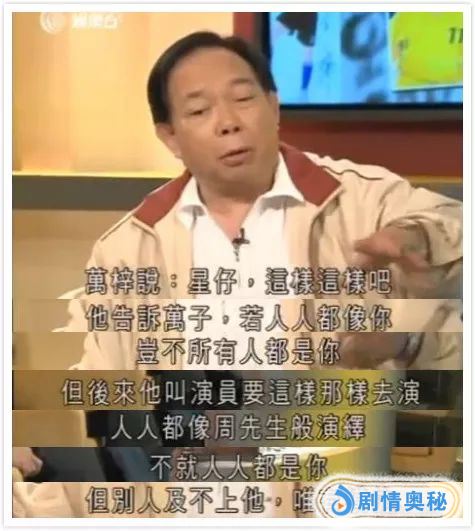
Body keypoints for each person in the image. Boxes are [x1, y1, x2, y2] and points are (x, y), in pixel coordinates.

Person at [14, 30, 462, 517]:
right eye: (199, 110)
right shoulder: (129, 247)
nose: (228, 123)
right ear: (170, 136)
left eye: (244, 99)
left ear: (274, 105)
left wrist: (418, 245)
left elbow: (449, 230)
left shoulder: (361, 201)